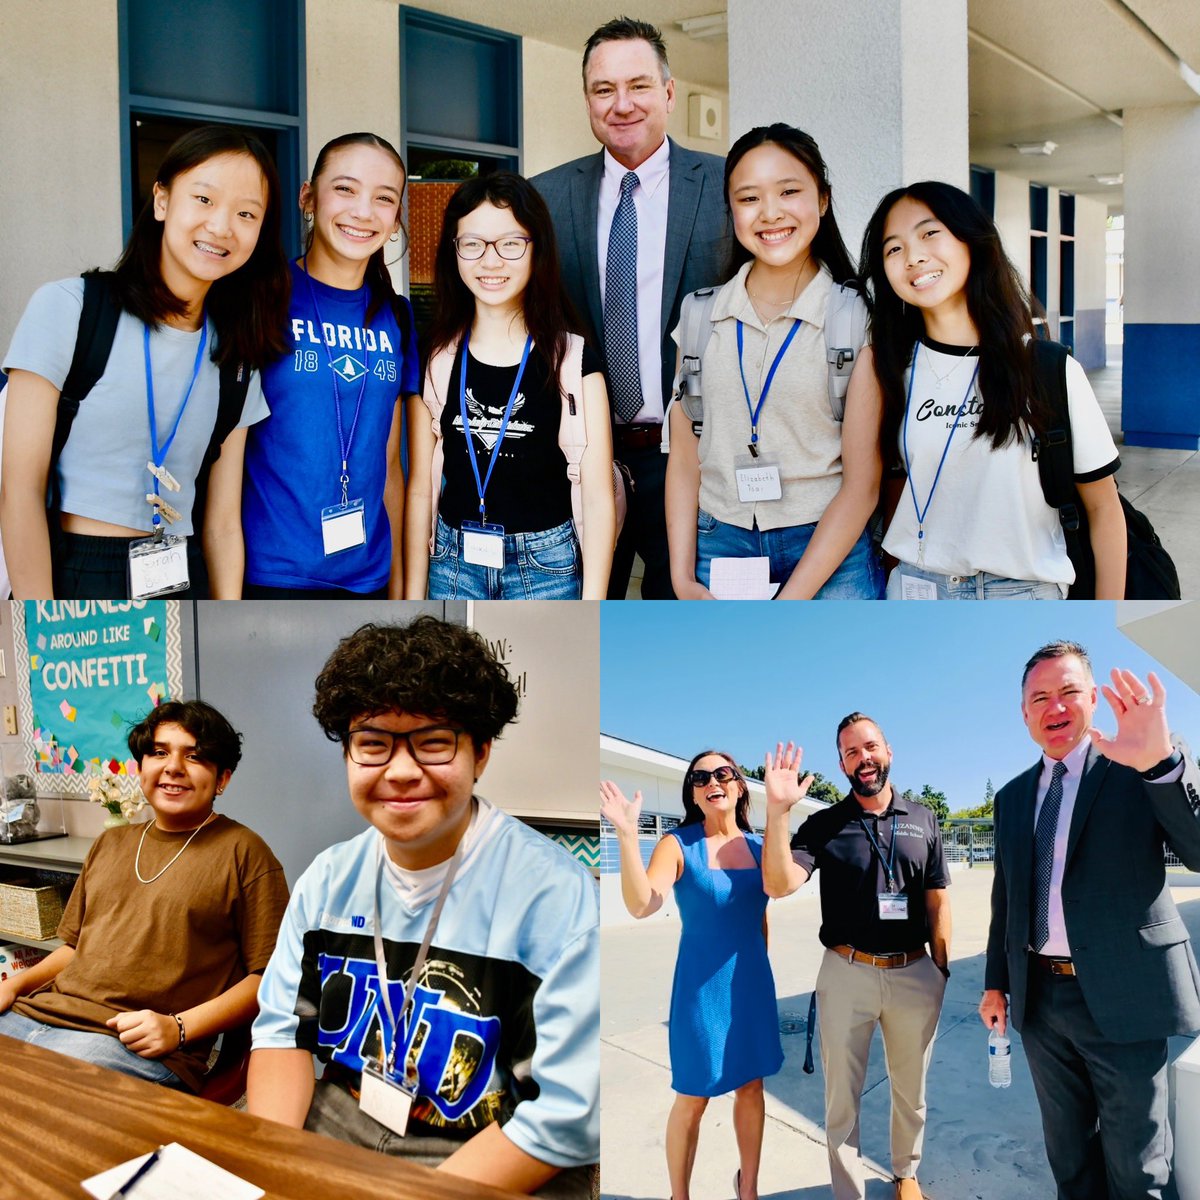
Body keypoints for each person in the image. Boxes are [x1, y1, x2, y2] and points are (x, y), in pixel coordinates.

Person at [247, 616, 598, 1198]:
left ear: (481, 752)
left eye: (434, 742)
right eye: (373, 744)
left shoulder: (556, 900)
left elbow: (564, 1116)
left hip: (491, 1150)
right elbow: (282, 1036)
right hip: (339, 1123)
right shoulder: (328, 879)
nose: (402, 771)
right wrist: (276, 1168)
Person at [1, 126, 290, 599]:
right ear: (161, 201)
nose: (221, 226)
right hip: (76, 574)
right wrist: (41, 629)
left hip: (183, 574)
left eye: (246, 213)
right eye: (203, 199)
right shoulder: (70, 308)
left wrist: (226, 621)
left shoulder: (237, 355)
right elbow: (18, 492)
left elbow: (221, 524)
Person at [981, 642, 1200, 1199]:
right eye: (1040, 697)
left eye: (1069, 692)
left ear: (1095, 698)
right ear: (1024, 712)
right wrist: (995, 985)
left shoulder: (1139, 764)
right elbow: (1005, 900)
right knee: (1069, 1156)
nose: (1055, 707)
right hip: (1041, 1005)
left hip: (1123, 997)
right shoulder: (1011, 798)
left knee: (1137, 1164)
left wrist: (1160, 764)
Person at [532, 17, 729, 599]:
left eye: (639, 85)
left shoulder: (725, 188)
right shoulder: (543, 198)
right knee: (586, 620)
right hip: (579, 458)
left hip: (690, 458)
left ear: (668, 92)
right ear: (588, 100)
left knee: (681, 623)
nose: (622, 104)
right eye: (603, 89)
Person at [0, 700, 289, 1091]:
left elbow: (270, 979)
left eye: (196, 756)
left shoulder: (245, 853)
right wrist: (14, 985)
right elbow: (73, 949)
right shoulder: (111, 842)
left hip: (127, 1043)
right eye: (159, 752)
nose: (173, 767)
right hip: (37, 1014)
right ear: (142, 767)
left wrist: (178, 1028)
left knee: (30, 1106)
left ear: (223, 778)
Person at [860, 181, 1125, 600]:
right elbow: (889, 491)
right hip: (915, 592)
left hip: (1022, 595)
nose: (914, 257)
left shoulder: (1048, 369)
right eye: (893, 249)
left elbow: (1104, 508)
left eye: (930, 233)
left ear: (973, 241)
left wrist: (1107, 627)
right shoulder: (890, 370)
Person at [664, 124, 884, 600]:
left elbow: (863, 484)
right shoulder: (700, 315)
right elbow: (684, 460)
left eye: (789, 191)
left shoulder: (853, 318)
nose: (770, 213)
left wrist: (791, 602)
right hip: (720, 544)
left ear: (822, 200)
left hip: (829, 548)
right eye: (748, 199)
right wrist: (681, 576)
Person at [762, 722, 951, 1200]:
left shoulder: (923, 819)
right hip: (846, 973)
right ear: (842, 764)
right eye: (850, 752)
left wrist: (941, 971)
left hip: (914, 972)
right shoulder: (826, 824)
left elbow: (936, 900)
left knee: (911, 1089)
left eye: (870, 746)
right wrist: (778, 813)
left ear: (888, 750)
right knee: (841, 1098)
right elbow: (779, 883)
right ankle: (848, 1191)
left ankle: (906, 1174)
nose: (862, 757)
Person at [404, 172, 615, 600]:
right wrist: (412, 598)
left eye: (510, 243)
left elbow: (597, 496)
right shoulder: (435, 357)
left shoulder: (572, 361)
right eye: (473, 244)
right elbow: (420, 488)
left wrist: (593, 608)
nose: (491, 260)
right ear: (454, 251)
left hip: (546, 567)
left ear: (537, 249)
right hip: (452, 563)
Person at [241, 132, 419, 598]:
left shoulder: (397, 315)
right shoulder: (261, 298)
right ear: (308, 197)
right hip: (272, 574)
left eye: (384, 198)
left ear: (396, 219)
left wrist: (399, 581)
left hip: (368, 577)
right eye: (345, 189)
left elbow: (389, 462)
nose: (363, 212)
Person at [600, 753, 782, 1200]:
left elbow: (760, 919)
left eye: (722, 774)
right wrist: (626, 836)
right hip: (701, 994)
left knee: (752, 1087)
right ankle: (679, 1196)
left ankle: (749, 1189)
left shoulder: (762, 848)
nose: (711, 782)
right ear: (694, 793)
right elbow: (643, 903)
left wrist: (758, 971)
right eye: (700, 777)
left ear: (740, 787)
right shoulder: (677, 844)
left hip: (752, 989)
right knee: (693, 1095)